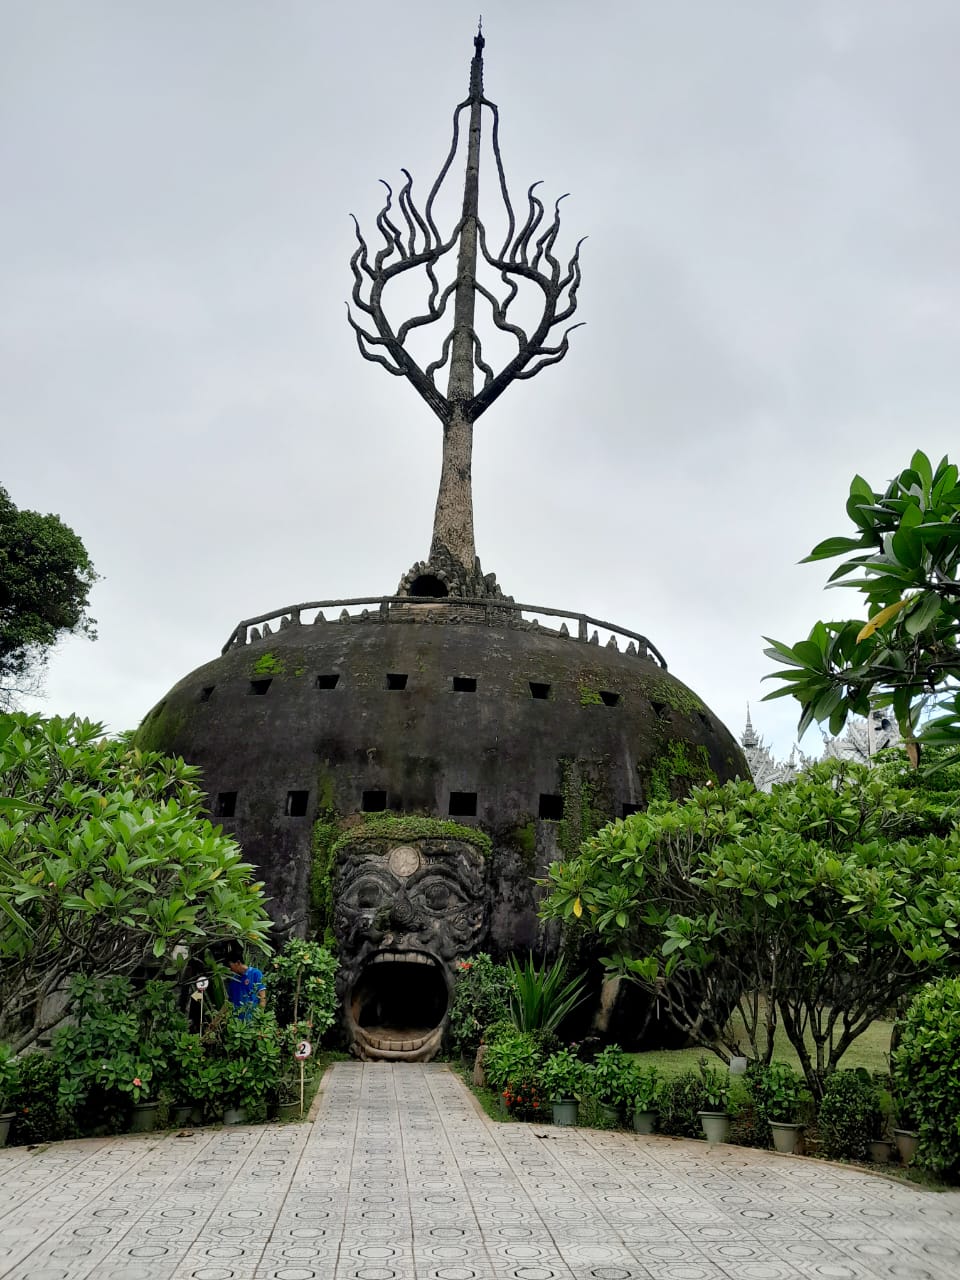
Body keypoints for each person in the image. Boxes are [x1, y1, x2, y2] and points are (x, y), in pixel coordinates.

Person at [225, 945, 266, 1020]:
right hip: (237, 1023)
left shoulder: (255, 974)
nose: (230, 969)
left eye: (231, 966)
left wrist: (259, 1018)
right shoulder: (234, 980)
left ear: (238, 963)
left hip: (252, 1020)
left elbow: (262, 997)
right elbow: (229, 1002)